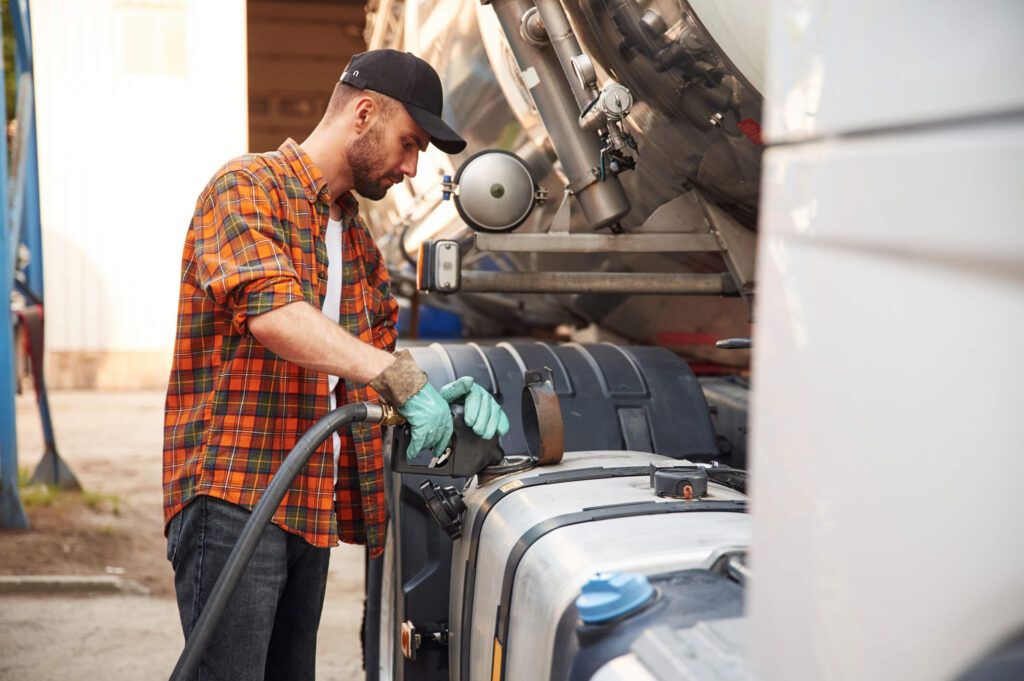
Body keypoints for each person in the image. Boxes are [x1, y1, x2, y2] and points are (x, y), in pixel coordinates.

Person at [162, 49, 510, 681]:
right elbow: (274, 314)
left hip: (307, 502)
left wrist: (433, 394)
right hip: (233, 494)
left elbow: (371, 363)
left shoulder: (355, 240)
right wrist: (398, 379)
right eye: (409, 144)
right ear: (365, 113)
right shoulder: (245, 187)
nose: (410, 169)